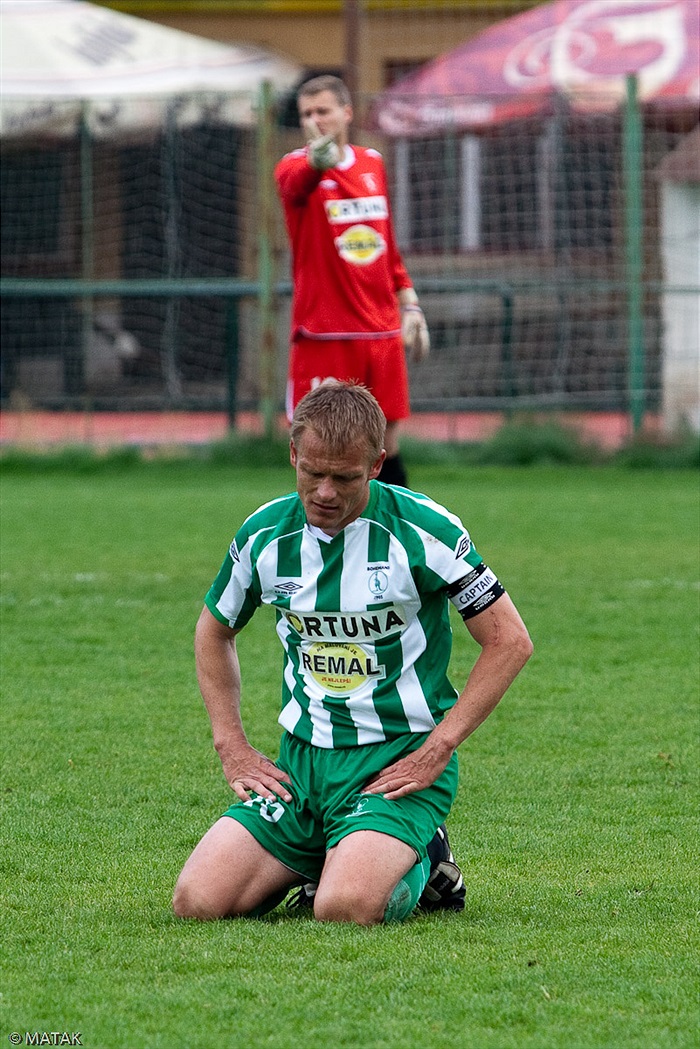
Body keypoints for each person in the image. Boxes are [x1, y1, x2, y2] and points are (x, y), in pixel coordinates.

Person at [173, 381, 533, 926]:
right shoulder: (264, 535)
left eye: (344, 477)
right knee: (196, 903)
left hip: (395, 765)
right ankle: (335, 849)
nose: (324, 491)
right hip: (300, 769)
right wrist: (233, 744)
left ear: (378, 464)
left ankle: (426, 858)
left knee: (342, 909)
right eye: (312, 472)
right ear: (293, 454)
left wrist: (441, 746)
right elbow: (212, 630)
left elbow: (509, 640)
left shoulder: (425, 531)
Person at [275, 75, 429, 488]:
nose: (314, 120)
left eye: (322, 111)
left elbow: (386, 246)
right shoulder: (294, 165)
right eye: (306, 113)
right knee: (321, 441)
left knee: (386, 440)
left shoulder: (372, 163)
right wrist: (315, 160)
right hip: (325, 334)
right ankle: (317, 539)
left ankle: (397, 533)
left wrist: (410, 303)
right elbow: (296, 182)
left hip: (380, 329)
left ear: (347, 113)